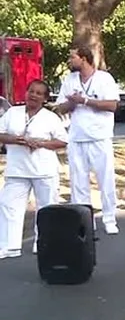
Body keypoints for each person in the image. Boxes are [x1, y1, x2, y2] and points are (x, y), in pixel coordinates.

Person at [54, 45, 121, 235]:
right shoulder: (70, 80)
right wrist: (72, 102)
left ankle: (109, 219)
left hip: (100, 137)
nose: (69, 61)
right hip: (77, 137)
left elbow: (112, 105)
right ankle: (84, 221)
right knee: (78, 183)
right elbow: (61, 108)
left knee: (105, 179)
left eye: (72, 57)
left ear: (83, 58)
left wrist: (85, 101)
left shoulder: (104, 78)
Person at [0, 80, 68, 258]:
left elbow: (62, 141)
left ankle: (44, 244)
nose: (33, 95)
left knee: (47, 209)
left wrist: (41, 143)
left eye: (39, 93)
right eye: (31, 91)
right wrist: (16, 140)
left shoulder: (50, 118)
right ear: (26, 92)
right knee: (8, 205)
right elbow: (1, 134)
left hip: (44, 171)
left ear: (44, 98)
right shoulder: (13, 113)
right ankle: (9, 246)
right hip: (17, 170)